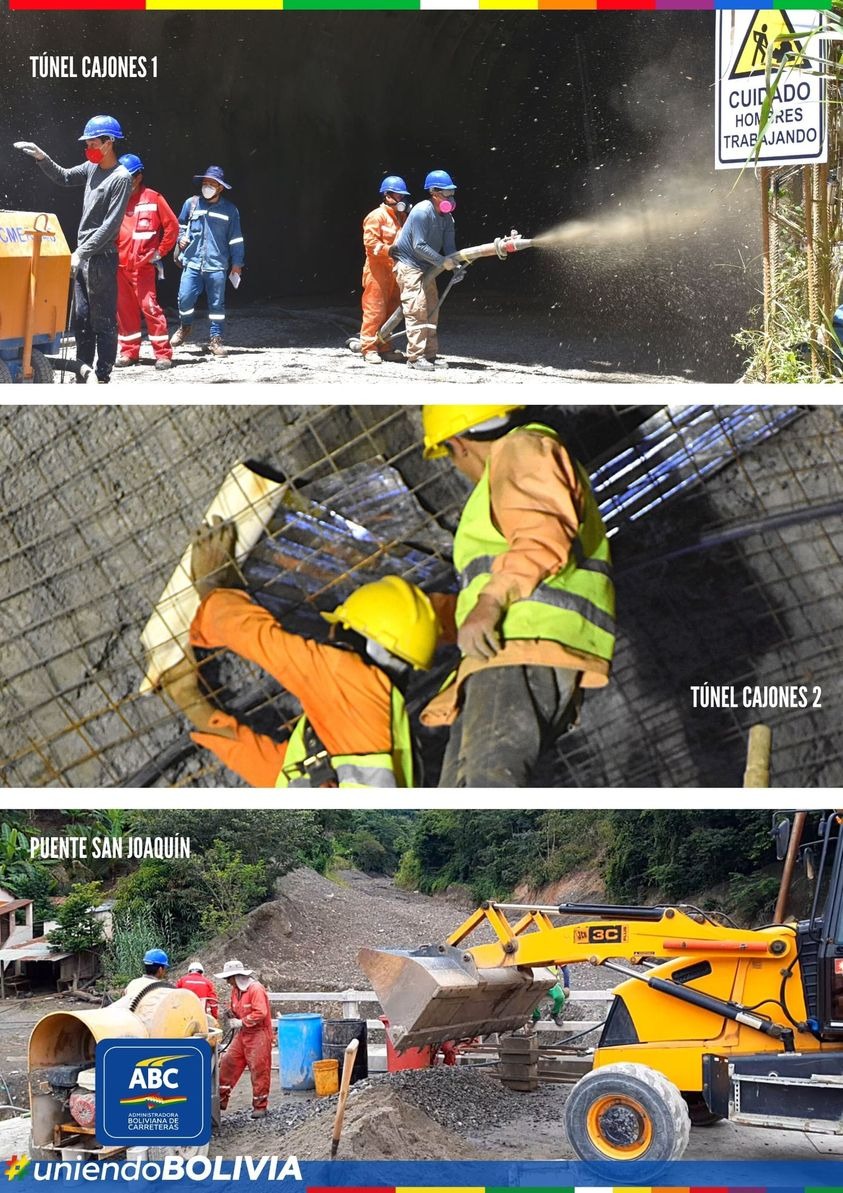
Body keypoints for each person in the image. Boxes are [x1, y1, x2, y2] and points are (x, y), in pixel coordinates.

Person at [158, 517, 440, 788]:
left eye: (340, 627)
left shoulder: (350, 679)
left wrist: (211, 588)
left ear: (357, 635)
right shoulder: (381, 729)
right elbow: (281, 776)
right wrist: (189, 698)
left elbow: (260, 640)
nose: (329, 635)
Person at [420, 405, 616, 787]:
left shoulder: (521, 448)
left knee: (489, 777)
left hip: (519, 645)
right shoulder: (531, 459)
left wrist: (490, 602)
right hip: (518, 649)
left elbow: (541, 537)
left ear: (458, 444)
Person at [15, 115, 133, 383]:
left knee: (101, 320)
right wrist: (42, 157)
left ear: (109, 142)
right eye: (87, 142)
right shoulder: (92, 168)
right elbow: (65, 177)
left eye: (93, 142)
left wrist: (82, 252)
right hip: (84, 257)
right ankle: (83, 370)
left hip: (101, 259)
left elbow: (110, 226)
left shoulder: (120, 178)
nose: (88, 147)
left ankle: (102, 374)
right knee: (81, 319)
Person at [390, 169, 465, 371]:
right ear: (434, 192)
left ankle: (430, 355)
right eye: (447, 193)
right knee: (416, 309)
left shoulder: (448, 218)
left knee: (432, 308)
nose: (451, 197)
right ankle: (414, 358)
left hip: (427, 266)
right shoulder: (422, 212)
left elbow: (450, 249)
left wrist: (456, 266)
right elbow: (418, 246)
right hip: (409, 265)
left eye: (452, 193)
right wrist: (443, 262)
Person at [171, 166, 244, 359]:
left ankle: (215, 339)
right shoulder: (192, 204)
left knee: (217, 305)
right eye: (205, 184)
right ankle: (185, 327)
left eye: (212, 184)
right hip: (193, 263)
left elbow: (236, 239)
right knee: (184, 298)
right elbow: (180, 225)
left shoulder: (230, 210)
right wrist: (180, 239)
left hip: (217, 265)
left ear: (220, 187)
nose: (207, 187)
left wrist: (238, 263)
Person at [115, 154, 179, 371]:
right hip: (119, 267)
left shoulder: (153, 198)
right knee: (124, 311)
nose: (124, 182)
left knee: (149, 308)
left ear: (138, 176)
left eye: (128, 177)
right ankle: (128, 352)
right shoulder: (115, 200)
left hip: (143, 268)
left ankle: (162, 354)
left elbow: (172, 227)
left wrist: (159, 252)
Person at [359, 175, 410, 365]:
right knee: (375, 310)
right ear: (387, 196)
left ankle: (385, 347)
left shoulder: (402, 217)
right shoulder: (376, 216)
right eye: (398, 195)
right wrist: (390, 250)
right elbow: (370, 244)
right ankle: (369, 348)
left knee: (392, 310)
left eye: (403, 196)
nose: (402, 199)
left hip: (395, 270)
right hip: (377, 271)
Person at [215, 959, 273, 1119]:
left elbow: (261, 1012)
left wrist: (242, 1021)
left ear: (236, 976)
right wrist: (231, 1014)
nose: (227, 982)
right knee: (228, 1061)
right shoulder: (236, 990)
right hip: (244, 1033)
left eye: (229, 978)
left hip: (259, 1033)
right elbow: (236, 1007)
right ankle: (220, 1099)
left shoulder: (255, 989)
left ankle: (260, 1105)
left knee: (259, 1069)